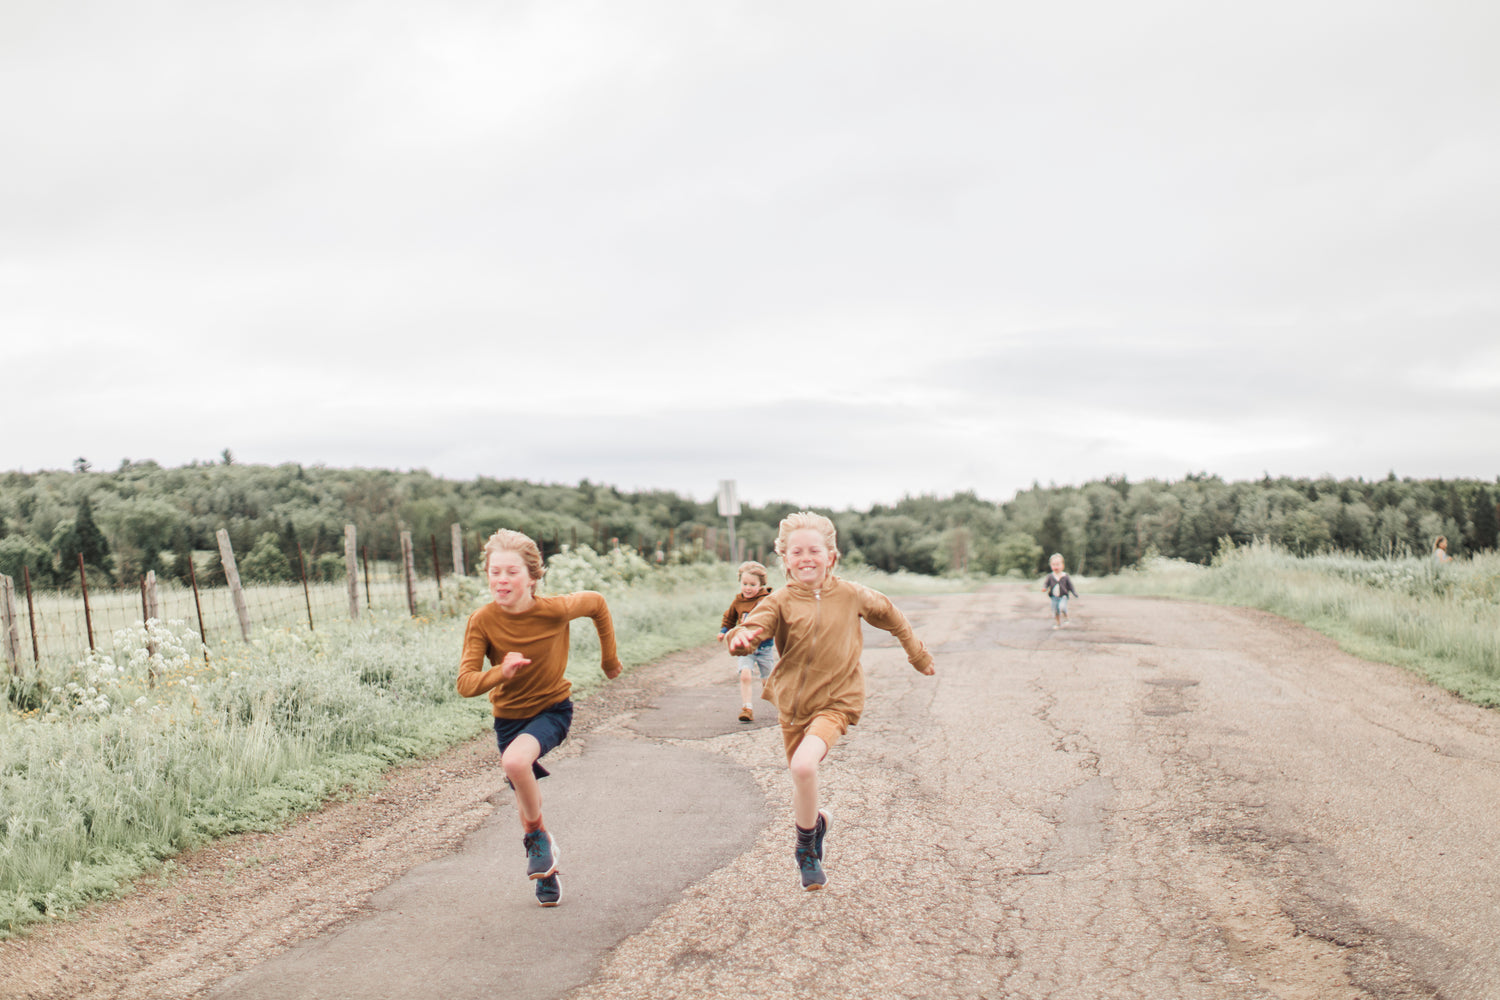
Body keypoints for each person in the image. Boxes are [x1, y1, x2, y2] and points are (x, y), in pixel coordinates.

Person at [727, 511, 934, 891]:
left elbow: (892, 616)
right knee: (800, 776)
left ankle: (804, 850)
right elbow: (753, 626)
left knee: (805, 767)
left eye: (814, 550)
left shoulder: (852, 594)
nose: (806, 557)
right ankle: (816, 823)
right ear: (785, 560)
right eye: (796, 551)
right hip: (793, 704)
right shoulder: (782, 601)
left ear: (831, 556)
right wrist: (741, 638)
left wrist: (917, 654)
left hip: (837, 701)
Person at [457, 529, 622, 908]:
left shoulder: (555, 610)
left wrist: (609, 660)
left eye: (511, 572)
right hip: (509, 720)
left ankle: (536, 839)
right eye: (494, 572)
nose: (501, 580)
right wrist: (502, 672)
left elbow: (597, 603)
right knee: (520, 780)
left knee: (515, 761)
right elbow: (466, 683)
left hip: (552, 709)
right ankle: (545, 873)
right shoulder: (482, 621)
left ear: (532, 577)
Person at [716, 560, 777, 722]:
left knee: (768, 681)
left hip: (764, 647)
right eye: (744, 584)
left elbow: (776, 618)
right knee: (745, 675)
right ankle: (747, 708)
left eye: (752, 584)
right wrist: (724, 631)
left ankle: (783, 709)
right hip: (745, 647)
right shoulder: (738, 601)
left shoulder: (768, 600)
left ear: (761, 584)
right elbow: (729, 618)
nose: (747, 588)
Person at [1042, 553, 1078, 629]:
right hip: (1054, 597)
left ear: (1062, 565)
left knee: (1062, 607)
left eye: (1058, 564)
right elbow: (1046, 584)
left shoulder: (1065, 576)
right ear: (1051, 566)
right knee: (1055, 610)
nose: (1056, 567)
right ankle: (1058, 624)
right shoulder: (1050, 576)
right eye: (1053, 565)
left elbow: (1070, 586)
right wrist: (1044, 588)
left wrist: (1074, 593)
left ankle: (1066, 617)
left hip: (1063, 596)